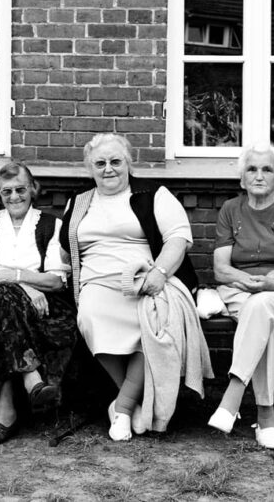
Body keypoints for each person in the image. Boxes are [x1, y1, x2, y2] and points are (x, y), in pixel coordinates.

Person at [59, 133, 212, 441]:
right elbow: (65, 250)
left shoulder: (153, 193)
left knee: (155, 328)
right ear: (90, 168)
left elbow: (178, 238)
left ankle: (123, 408)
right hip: (96, 283)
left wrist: (161, 272)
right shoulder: (79, 202)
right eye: (100, 163)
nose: (108, 169)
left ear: (129, 163)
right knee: (89, 318)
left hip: (145, 281)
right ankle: (137, 402)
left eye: (116, 161)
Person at [205, 143, 274, 450]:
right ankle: (266, 415)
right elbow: (221, 269)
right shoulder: (230, 209)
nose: (259, 175)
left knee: (261, 306)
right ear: (242, 177)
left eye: (267, 169)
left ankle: (233, 395)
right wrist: (246, 279)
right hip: (240, 289)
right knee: (265, 326)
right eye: (252, 169)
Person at [0, 162, 77, 447]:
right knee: (1, 300)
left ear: (33, 189)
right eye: (7, 191)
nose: (14, 196)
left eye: (21, 189)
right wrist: (25, 284)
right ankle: (31, 379)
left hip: (44, 306)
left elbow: (56, 282)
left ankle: (4, 414)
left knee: (2, 308)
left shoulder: (53, 225)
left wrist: (14, 277)